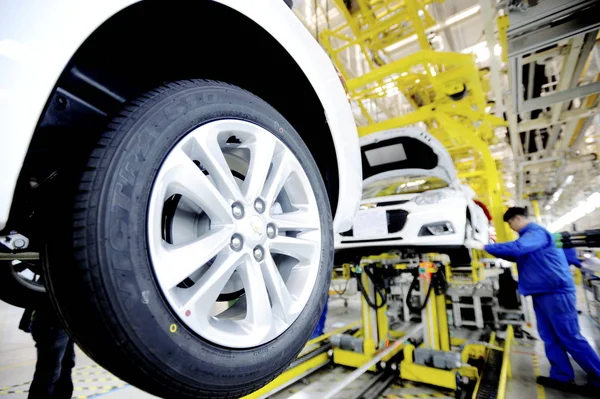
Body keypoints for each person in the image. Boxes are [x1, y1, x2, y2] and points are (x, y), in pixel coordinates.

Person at [465, 207, 600, 396]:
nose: (512, 228)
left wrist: (485, 247)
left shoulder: (536, 233)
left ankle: (598, 378)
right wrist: (493, 249)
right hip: (542, 293)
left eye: (511, 224)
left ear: (517, 218)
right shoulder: (528, 237)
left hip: (556, 293)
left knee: (570, 337)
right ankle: (561, 376)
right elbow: (515, 254)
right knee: (550, 337)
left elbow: (520, 248)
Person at [20, 290, 76, 399]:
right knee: (49, 372)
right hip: (52, 322)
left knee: (65, 366)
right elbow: (38, 289)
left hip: (65, 323)